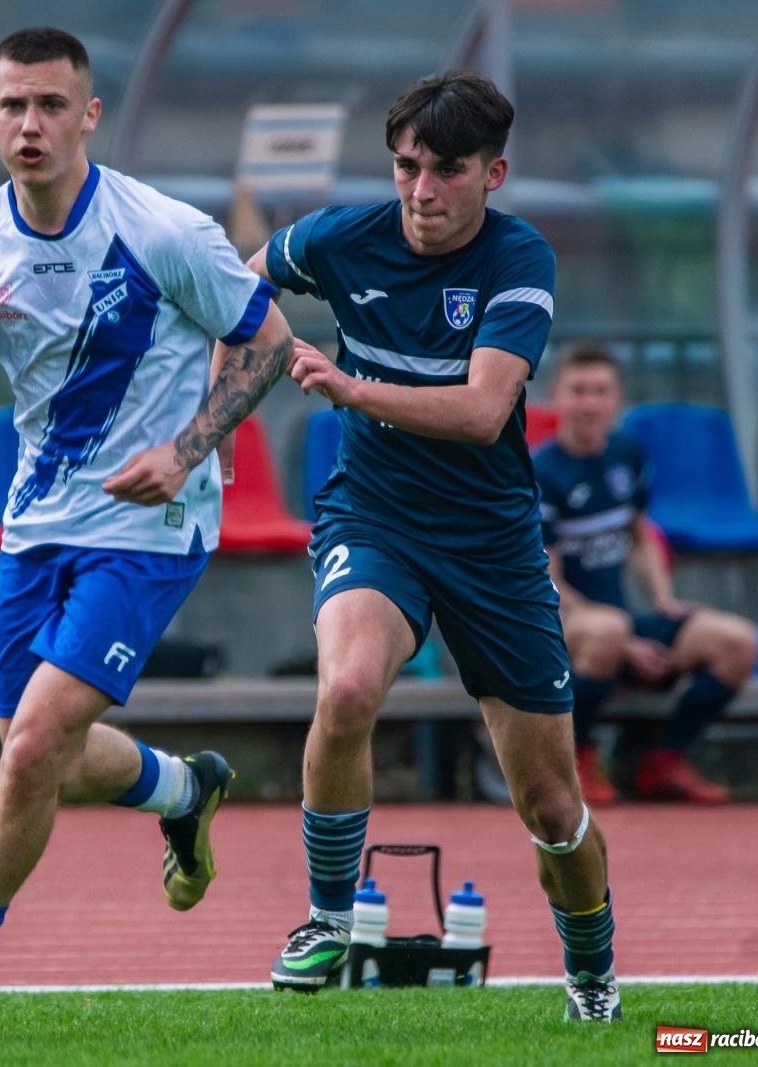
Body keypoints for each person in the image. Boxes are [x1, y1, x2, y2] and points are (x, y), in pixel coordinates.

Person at [0, 27, 295, 1043]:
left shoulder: (164, 231)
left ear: (88, 115)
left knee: (30, 750)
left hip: (151, 526)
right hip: (37, 526)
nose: (31, 125)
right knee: (34, 749)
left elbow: (269, 342)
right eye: (13, 106)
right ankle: (184, 788)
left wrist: (186, 451)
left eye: (51, 105)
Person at [241, 71, 621, 1020]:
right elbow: (239, 287)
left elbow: (485, 410)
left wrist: (350, 387)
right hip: (374, 517)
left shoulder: (519, 257)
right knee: (347, 688)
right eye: (407, 166)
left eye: (447, 170)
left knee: (551, 806)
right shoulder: (338, 238)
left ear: (493, 173)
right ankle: (330, 915)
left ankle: (593, 977)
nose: (421, 190)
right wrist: (210, 419)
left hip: (493, 545)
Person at [535, 345, 758, 805]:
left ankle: (662, 762)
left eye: (601, 391)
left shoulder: (627, 451)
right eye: (578, 391)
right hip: (565, 627)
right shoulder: (540, 470)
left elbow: (640, 534)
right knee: (608, 630)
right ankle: (574, 761)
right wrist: (626, 645)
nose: (590, 403)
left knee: (737, 641)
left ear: (617, 398)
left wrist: (663, 601)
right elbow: (546, 577)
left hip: (621, 622)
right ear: (557, 396)